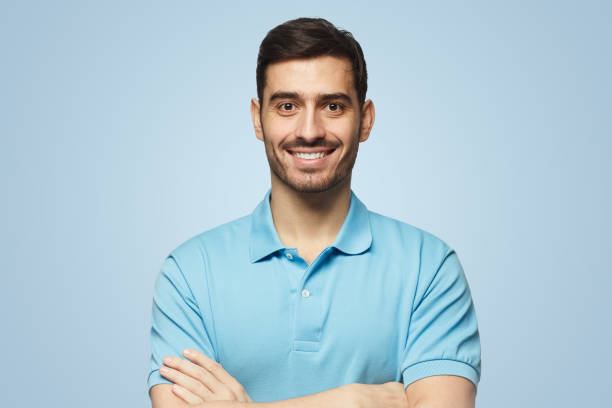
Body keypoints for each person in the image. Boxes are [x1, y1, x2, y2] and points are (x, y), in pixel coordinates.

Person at [147, 17, 481, 408]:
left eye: (333, 106)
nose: (309, 130)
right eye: (287, 106)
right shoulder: (189, 272)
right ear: (258, 118)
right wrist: (355, 400)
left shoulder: (430, 266)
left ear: (366, 119)